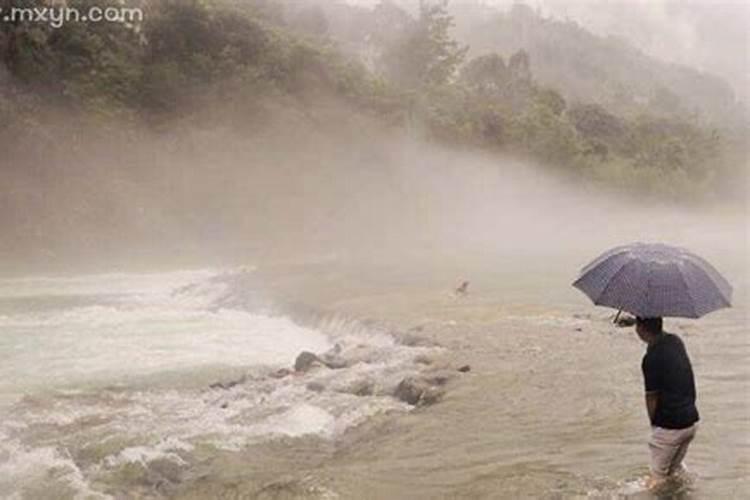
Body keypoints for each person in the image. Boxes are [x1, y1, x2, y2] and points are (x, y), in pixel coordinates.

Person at [635, 317, 700, 490]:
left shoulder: (650, 359)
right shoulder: (675, 341)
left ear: (640, 329)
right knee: (674, 472)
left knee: (656, 480)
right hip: (690, 422)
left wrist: (654, 424)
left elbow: (651, 397)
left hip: (669, 428)